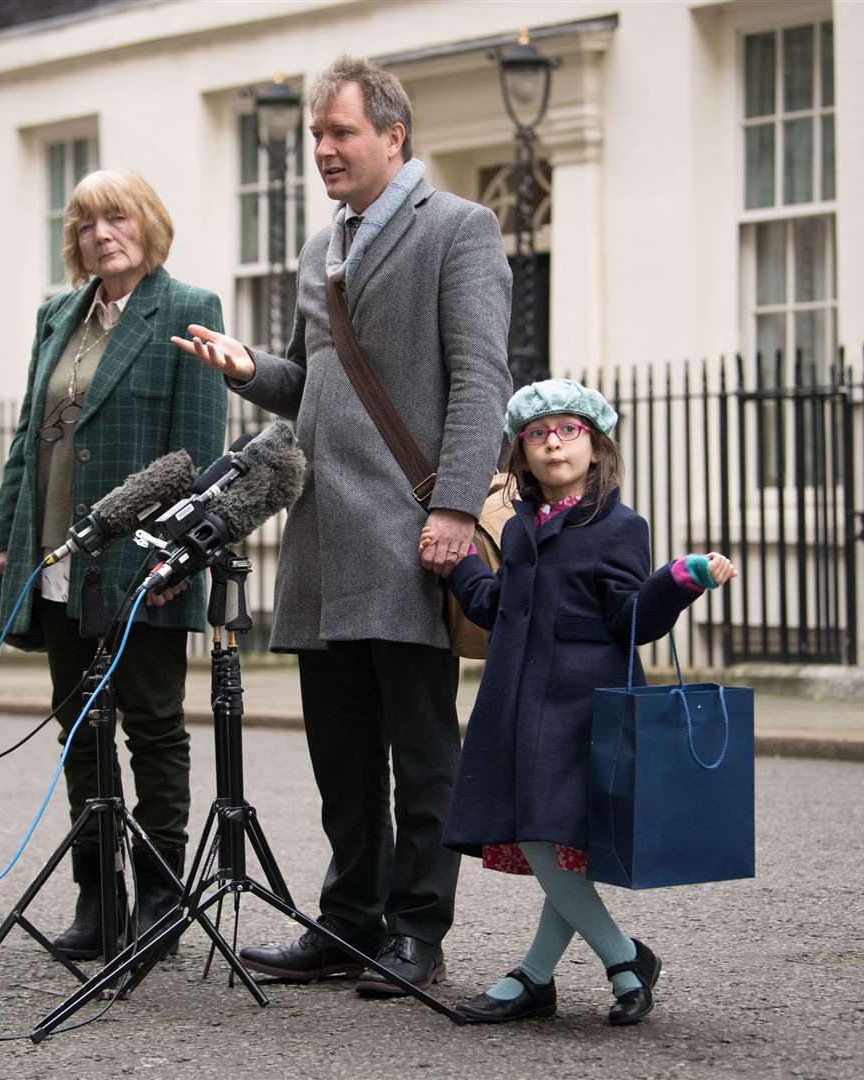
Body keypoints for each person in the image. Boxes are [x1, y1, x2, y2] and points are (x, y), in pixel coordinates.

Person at [173, 56, 511, 996]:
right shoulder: (320, 250)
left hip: (411, 532)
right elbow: (306, 381)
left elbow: (484, 379)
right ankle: (348, 920)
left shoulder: (460, 229)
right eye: (316, 137)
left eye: (340, 134)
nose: (322, 150)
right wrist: (245, 368)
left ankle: (417, 934)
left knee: (422, 750)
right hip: (323, 539)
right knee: (341, 754)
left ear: (393, 137)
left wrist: (451, 504)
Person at [439, 378, 738, 1026]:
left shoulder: (621, 527)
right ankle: (538, 977)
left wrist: (679, 580)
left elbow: (633, 615)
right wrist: (463, 565)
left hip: (582, 712)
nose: (553, 444)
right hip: (519, 708)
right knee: (554, 840)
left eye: (568, 431)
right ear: (521, 454)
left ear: (596, 446)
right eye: (538, 434)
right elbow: (495, 609)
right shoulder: (517, 529)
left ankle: (622, 961)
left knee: (547, 838)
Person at [0, 169, 227, 959]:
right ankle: (100, 902)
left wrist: (177, 557)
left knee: (153, 727)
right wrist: (5, 534)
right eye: (85, 222)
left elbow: (196, 451)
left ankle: (161, 899)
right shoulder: (57, 315)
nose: (100, 234)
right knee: (79, 730)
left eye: (115, 217)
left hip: (141, 563)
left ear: (148, 223)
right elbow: (29, 435)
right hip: (56, 554)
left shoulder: (188, 309)